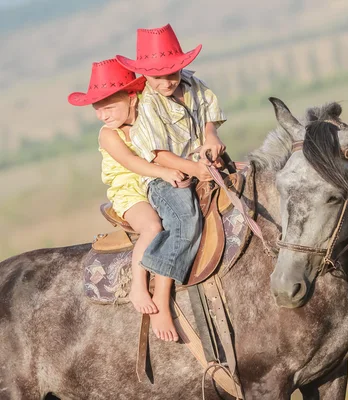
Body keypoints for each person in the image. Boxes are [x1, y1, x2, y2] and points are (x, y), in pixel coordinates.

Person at [116, 24, 227, 342]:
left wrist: (211, 138)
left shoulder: (193, 83)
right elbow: (159, 155)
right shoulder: (148, 105)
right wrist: (193, 167)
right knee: (186, 222)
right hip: (167, 177)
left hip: (202, 164)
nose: (167, 82)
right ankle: (162, 301)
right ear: (145, 77)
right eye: (158, 77)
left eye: (172, 73)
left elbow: (209, 117)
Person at [68, 58, 185, 317]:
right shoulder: (108, 134)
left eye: (109, 107)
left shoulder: (150, 117)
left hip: (155, 181)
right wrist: (165, 171)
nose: (102, 115)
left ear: (132, 97)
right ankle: (138, 287)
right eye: (98, 109)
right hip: (130, 189)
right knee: (153, 227)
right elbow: (131, 162)